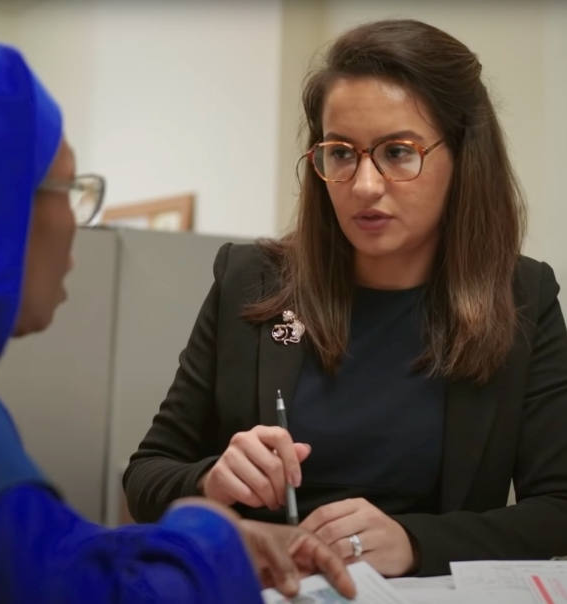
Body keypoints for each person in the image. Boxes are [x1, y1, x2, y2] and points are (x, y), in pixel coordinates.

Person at [0, 36, 357, 603]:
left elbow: (20, 558)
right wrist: (208, 534)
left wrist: (154, 544)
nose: (77, 223)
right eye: (67, 188)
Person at [123, 18, 567, 578]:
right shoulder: (251, 279)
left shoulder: (523, 297)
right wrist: (211, 480)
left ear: (462, 157)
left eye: (398, 153)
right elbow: (145, 476)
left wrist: (414, 541)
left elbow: (558, 510)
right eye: (341, 154)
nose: (363, 185)